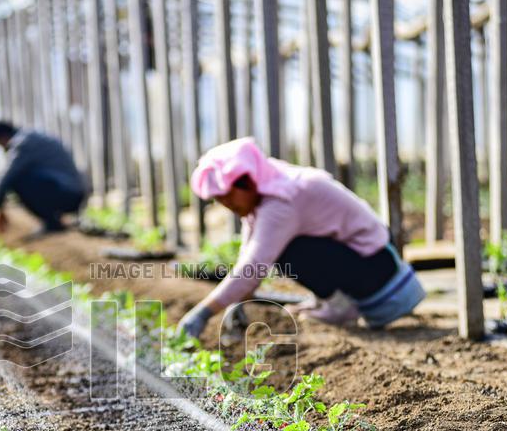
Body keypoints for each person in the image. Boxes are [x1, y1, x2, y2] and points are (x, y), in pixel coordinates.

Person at [178, 138, 425, 339]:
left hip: (378, 273)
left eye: (228, 196)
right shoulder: (269, 186)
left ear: (247, 183)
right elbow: (248, 256)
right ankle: (330, 301)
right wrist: (237, 302)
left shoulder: (281, 201)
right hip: (371, 262)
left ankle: (340, 307)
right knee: (282, 247)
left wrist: (202, 313)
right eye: (219, 200)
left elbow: (254, 266)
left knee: (287, 250)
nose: (227, 204)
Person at [0, 120, 86, 236]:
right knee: (24, 177)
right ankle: (53, 221)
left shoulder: (22, 143)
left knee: (18, 180)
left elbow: (6, 177)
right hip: (70, 192)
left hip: (69, 194)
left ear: (3, 137)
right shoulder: (29, 137)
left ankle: (52, 223)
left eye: (0, 145)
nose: (3, 149)